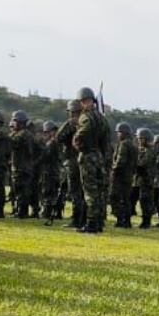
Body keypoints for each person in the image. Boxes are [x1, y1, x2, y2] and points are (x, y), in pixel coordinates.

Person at [72, 87, 110, 233]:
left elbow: (85, 128)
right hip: (99, 156)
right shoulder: (101, 117)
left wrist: (76, 139)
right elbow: (106, 139)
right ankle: (99, 222)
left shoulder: (85, 116)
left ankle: (91, 223)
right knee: (99, 191)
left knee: (90, 191)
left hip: (88, 155)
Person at [56, 100, 85, 229]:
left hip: (72, 161)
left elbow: (58, 137)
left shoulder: (72, 123)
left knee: (75, 192)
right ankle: (83, 218)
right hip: (84, 161)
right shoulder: (87, 122)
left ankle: (76, 219)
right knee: (83, 192)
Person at [8, 110, 36, 219]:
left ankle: (21, 212)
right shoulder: (25, 133)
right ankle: (20, 211)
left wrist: (10, 134)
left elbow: (11, 142)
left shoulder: (23, 134)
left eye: (15, 121)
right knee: (20, 190)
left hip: (22, 167)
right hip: (22, 166)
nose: (13, 124)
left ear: (19, 122)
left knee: (21, 190)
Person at [110, 121, 136, 228]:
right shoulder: (133, 145)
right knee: (126, 199)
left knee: (115, 197)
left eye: (119, 132)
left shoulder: (124, 144)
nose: (118, 134)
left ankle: (120, 219)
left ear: (124, 133)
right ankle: (127, 220)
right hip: (128, 176)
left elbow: (121, 161)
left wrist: (113, 170)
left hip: (120, 176)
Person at [39, 121, 61, 224]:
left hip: (49, 171)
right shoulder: (58, 142)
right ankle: (56, 213)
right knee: (54, 193)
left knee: (47, 192)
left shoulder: (51, 143)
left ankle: (46, 212)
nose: (45, 135)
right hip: (55, 171)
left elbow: (45, 157)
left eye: (46, 132)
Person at [134, 127, 156, 229]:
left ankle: (146, 222)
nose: (138, 141)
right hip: (143, 179)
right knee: (143, 200)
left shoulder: (150, 151)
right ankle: (145, 221)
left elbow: (142, 164)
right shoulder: (144, 150)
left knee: (145, 200)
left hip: (147, 179)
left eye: (140, 139)